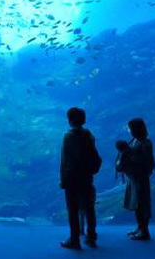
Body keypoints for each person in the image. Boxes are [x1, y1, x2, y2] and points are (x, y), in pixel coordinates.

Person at [59, 107, 101, 250]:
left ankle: (74, 239)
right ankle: (91, 237)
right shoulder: (89, 134)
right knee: (89, 208)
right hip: (87, 177)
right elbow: (94, 156)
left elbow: (65, 161)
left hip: (72, 179)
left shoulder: (68, 136)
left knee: (72, 209)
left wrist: (63, 179)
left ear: (69, 120)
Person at [116, 118, 155, 241]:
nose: (129, 131)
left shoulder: (145, 143)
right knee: (136, 203)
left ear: (136, 129)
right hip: (132, 177)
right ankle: (140, 227)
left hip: (141, 178)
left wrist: (130, 159)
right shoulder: (133, 140)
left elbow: (148, 162)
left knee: (142, 204)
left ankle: (145, 231)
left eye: (130, 128)